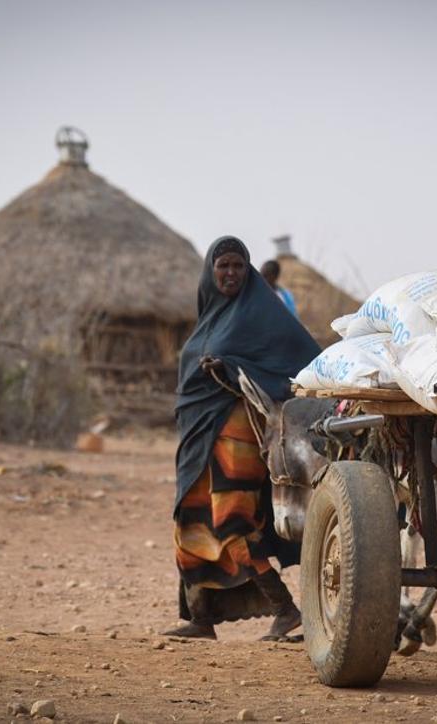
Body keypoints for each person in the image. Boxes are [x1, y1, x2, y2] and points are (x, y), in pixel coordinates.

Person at [165, 236, 321, 640]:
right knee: (191, 521)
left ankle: (284, 609)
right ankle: (201, 618)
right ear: (210, 272)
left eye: (237, 266)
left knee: (232, 523)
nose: (231, 273)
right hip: (198, 440)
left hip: (236, 437)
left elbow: (301, 365)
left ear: (247, 269)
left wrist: (232, 368)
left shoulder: (261, 314)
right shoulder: (209, 318)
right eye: (223, 266)